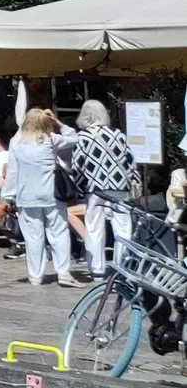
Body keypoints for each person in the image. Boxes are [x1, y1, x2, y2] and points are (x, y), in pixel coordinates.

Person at [62, 100, 142, 279]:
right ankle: (123, 267)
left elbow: (78, 165)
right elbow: (130, 162)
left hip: (95, 189)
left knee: (94, 228)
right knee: (123, 227)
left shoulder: (82, 137)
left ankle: (97, 268)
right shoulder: (118, 135)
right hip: (120, 187)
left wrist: (81, 188)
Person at [5, 109, 76, 287]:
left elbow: (13, 171)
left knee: (33, 238)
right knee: (59, 233)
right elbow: (74, 137)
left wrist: (8, 195)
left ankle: (35, 276)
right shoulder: (50, 140)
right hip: (51, 194)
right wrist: (58, 122)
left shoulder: (16, 143)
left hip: (26, 195)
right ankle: (63, 272)